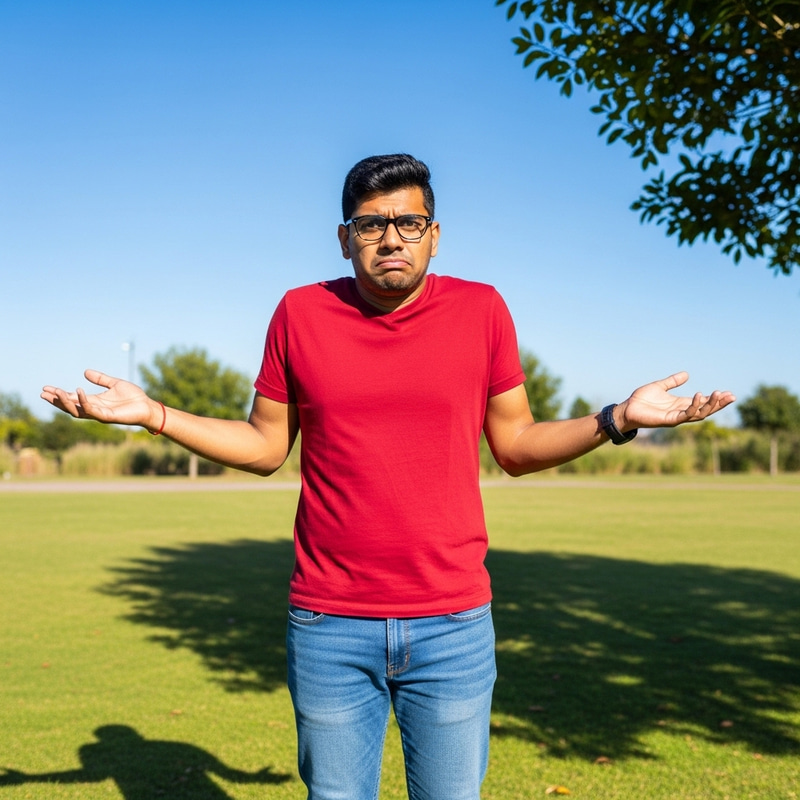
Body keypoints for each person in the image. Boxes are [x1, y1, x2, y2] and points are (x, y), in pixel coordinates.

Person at [42, 153, 735, 800]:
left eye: (408, 222)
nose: (391, 238)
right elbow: (262, 446)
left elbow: (517, 445)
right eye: (371, 224)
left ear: (435, 235)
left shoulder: (482, 309)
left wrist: (617, 417)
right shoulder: (299, 313)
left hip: (453, 623)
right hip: (328, 623)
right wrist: (155, 413)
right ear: (345, 238)